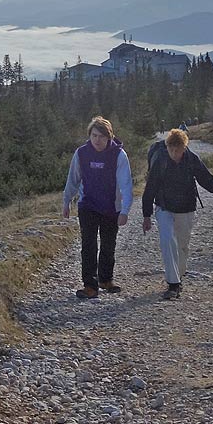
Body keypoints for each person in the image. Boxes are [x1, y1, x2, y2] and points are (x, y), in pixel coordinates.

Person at [139, 128, 213, 301]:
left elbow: (207, 180)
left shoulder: (191, 159)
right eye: (171, 149)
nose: (174, 153)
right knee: (167, 241)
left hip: (186, 208)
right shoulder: (160, 160)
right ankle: (173, 284)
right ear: (167, 147)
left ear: (184, 148)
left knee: (182, 245)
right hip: (164, 207)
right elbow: (150, 188)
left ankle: (178, 276)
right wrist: (146, 216)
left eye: (178, 150)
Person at [62, 117, 133, 299]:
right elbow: (73, 179)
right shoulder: (81, 154)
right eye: (94, 135)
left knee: (109, 245)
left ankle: (105, 279)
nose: (97, 140)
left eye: (101, 136)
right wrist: (66, 201)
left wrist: (124, 210)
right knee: (88, 246)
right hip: (88, 206)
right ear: (89, 136)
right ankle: (90, 286)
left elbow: (126, 184)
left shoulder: (119, 155)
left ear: (109, 137)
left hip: (111, 207)